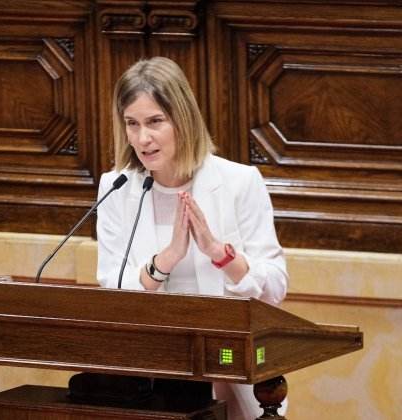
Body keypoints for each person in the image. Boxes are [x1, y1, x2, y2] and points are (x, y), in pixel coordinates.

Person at [96, 56, 288, 420]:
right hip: (148, 379)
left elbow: (275, 285)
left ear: (182, 118)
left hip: (233, 373)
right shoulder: (117, 188)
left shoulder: (239, 182)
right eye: (131, 124)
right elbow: (111, 285)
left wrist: (221, 255)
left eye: (155, 122)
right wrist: (164, 261)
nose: (142, 138)